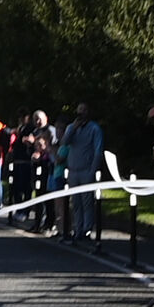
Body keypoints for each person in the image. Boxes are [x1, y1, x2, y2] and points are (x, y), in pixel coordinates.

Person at [59, 102, 104, 244]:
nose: (81, 113)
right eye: (79, 111)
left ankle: (87, 229)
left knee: (87, 201)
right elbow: (64, 142)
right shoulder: (71, 128)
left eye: (84, 110)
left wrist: (93, 169)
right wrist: (73, 128)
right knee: (76, 202)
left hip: (86, 169)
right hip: (73, 170)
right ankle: (77, 228)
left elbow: (98, 150)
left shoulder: (94, 129)